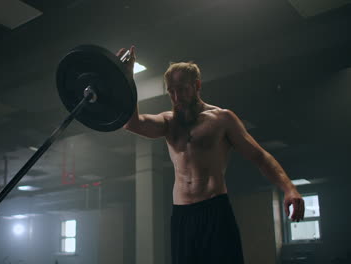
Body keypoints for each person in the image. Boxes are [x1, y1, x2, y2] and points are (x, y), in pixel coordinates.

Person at [117, 46, 305, 264]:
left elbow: (260, 157)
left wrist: (289, 189)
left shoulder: (221, 119)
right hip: (182, 216)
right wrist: (126, 78)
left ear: (197, 85)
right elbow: (132, 123)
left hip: (214, 210)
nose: (177, 97)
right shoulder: (169, 122)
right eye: (171, 91)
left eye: (182, 89)